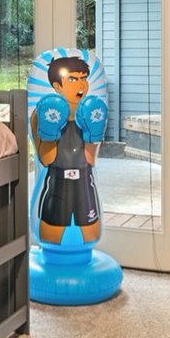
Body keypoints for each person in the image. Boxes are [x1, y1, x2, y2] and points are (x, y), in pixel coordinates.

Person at [33, 55, 106, 246]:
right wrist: (51, 130)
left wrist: (93, 132)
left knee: (91, 235)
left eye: (83, 78)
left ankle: (82, 258)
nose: (80, 85)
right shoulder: (42, 112)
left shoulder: (93, 111)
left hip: (84, 180)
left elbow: (90, 160)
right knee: (50, 236)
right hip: (57, 181)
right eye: (72, 79)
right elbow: (46, 160)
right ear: (57, 87)